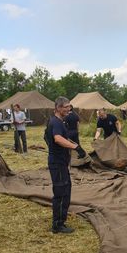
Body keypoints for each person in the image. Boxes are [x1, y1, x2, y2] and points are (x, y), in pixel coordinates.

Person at [45, 97, 86, 234]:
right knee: (61, 193)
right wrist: (75, 147)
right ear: (58, 108)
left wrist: (77, 146)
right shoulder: (56, 122)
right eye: (66, 107)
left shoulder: (58, 122)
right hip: (57, 163)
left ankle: (60, 220)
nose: (69, 109)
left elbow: (50, 137)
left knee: (65, 189)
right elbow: (57, 139)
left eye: (69, 106)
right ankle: (57, 225)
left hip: (61, 162)